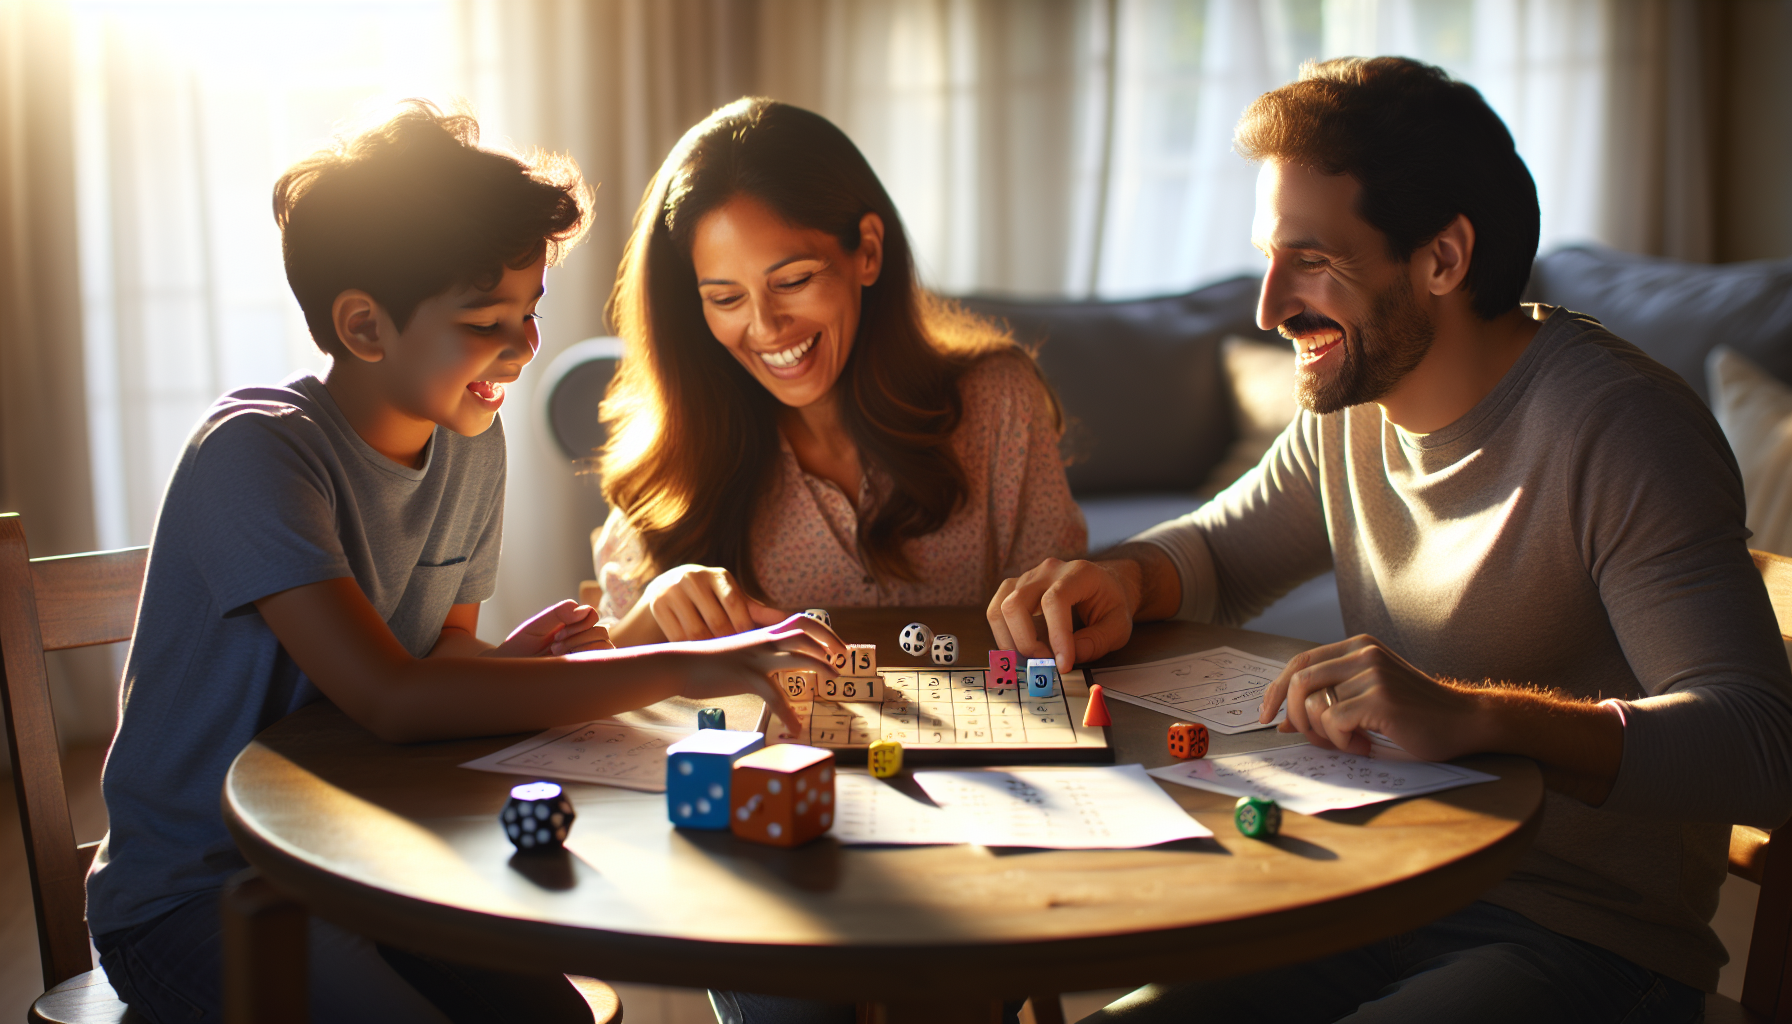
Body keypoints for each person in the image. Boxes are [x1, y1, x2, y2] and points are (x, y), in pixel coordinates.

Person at [990, 57, 1792, 1023]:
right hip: (1371, 894)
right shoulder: (1351, 408)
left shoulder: (1621, 429)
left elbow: (1760, 744)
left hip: (1585, 943)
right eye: (1269, 256)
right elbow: (1217, 553)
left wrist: (1480, 716)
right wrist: (1122, 575)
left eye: (1314, 261)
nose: (1268, 306)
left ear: (1444, 259)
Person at [85, 100, 839, 1024]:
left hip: (362, 850)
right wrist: (695, 663)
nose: (524, 347)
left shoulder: (471, 438)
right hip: (204, 893)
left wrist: (503, 666)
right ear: (364, 327)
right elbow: (394, 702)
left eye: (530, 312)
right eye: (489, 320)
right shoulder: (255, 453)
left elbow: (434, 664)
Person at [591, 97, 1085, 645]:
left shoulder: (997, 404)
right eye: (727, 298)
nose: (767, 327)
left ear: (868, 251)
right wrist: (653, 614)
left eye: (794, 281)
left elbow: (1060, 625)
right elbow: (598, 694)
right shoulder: (674, 460)